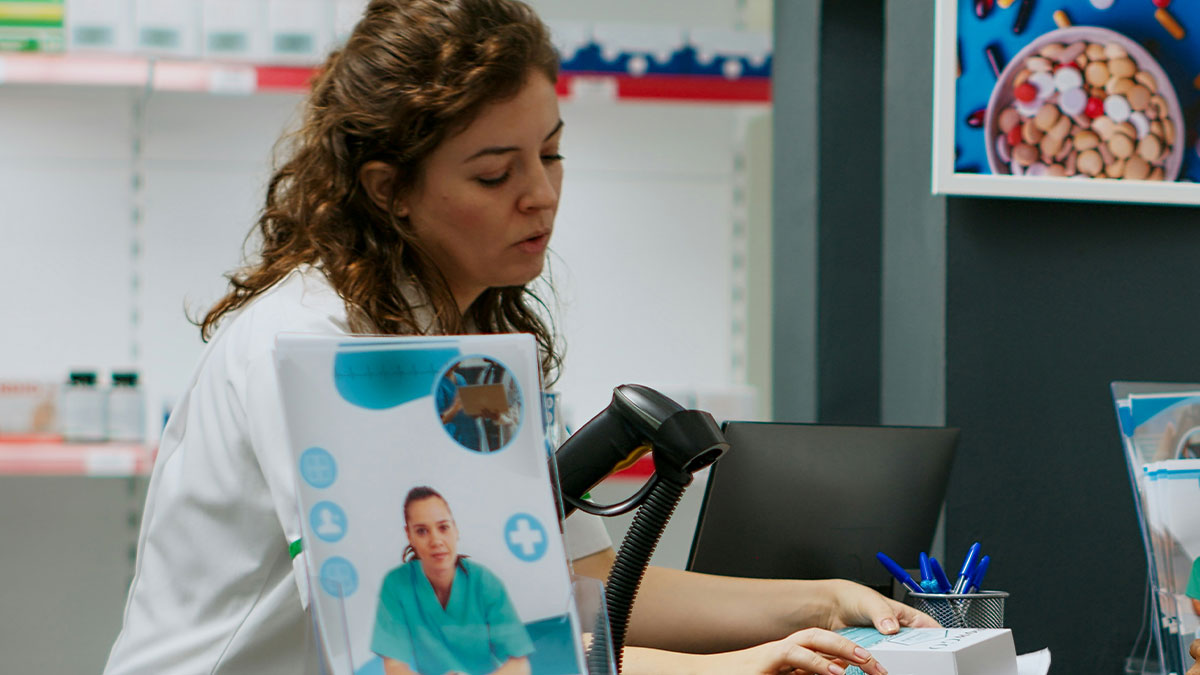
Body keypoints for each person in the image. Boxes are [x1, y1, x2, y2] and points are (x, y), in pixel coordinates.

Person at [103, 1, 932, 673]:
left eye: (552, 153)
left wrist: (825, 602)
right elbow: (442, 651)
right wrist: (737, 668)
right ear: (390, 188)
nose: (540, 195)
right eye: (495, 173)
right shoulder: (324, 348)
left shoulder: (476, 341)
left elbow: (584, 584)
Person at [373, 487, 532, 675]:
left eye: (443, 527)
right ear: (409, 535)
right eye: (422, 531)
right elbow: (394, 667)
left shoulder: (483, 582)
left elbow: (520, 665)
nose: (436, 540)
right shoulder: (397, 585)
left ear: (455, 529)